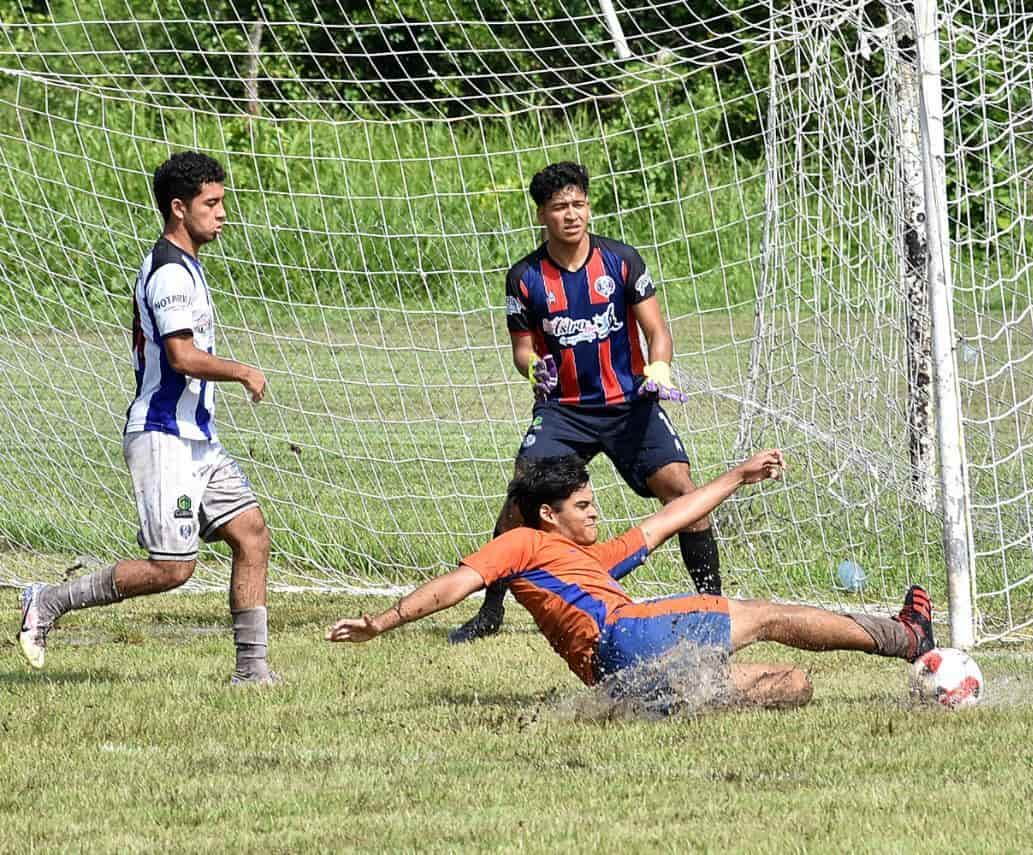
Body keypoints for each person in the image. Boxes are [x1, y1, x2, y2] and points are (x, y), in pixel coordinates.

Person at [327, 450, 934, 710]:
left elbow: (671, 517)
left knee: (793, 684)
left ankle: (658, 706)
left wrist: (736, 476)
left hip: (614, 673)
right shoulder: (523, 543)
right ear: (549, 515)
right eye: (583, 506)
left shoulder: (590, 560)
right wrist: (384, 622)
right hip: (623, 637)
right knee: (764, 614)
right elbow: (454, 585)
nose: (595, 513)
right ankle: (905, 638)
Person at [17, 151, 279, 685]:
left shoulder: (187, 266)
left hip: (198, 439)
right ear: (179, 209)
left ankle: (252, 673)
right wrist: (244, 372)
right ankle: (47, 601)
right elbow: (180, 356)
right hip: (164, 439)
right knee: (172, 569)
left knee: (251, 536)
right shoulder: (167, 275)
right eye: (212, 203)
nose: (222, 213)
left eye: (222, 201)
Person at [449, 160, 722, 644]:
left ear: (588, 208)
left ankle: (713, 603)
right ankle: (490, 611)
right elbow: (522, 351)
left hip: (628, 406)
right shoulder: (525, 278)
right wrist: (534, 367)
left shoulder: (621, 261)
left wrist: (658, 368)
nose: (571, 214)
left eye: (578, 204)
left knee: (686, 496)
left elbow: (657, 331)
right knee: (521, 500)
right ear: (542, 216)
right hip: (563, 412)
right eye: (559, 207)